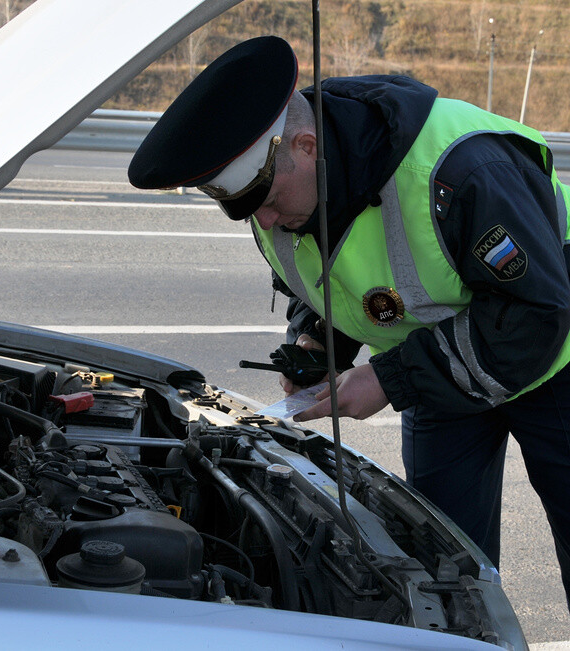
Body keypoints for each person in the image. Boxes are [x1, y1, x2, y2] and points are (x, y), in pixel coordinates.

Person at [127, 35, 570, 605]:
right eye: (241, 207)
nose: (263, 219)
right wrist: (315, 345)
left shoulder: (461, 169)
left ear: (307, 144)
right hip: (443, 371)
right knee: (445, 565)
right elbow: (324, 279)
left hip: (556, 353)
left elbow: (538, 310)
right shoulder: (272, 197)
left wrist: (390, 379)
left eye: (265, 196)